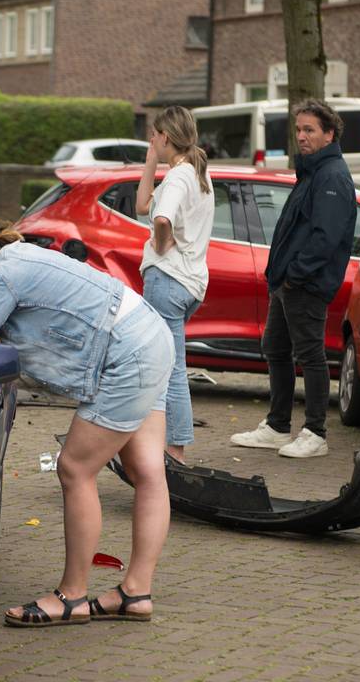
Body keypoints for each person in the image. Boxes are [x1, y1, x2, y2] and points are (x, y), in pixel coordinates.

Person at [0, 225, 173, 628]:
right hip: (149, 334)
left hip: (125, 353)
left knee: (75, 469)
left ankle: (71, 596)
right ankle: (135, 592)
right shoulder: (12, 258)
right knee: (148, 473)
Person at [230, 99, 357, 458]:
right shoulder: (313, 172)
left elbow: (325, 238)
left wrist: (295, 276)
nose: (301, 136)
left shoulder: (331, 176)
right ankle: (277, 426)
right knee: (276, 349)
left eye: (309, 130)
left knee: (311, 355)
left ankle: (315, 433)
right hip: (288, 283)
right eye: (298, 130)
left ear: (329, 134)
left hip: (305, 285)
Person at [134, 106, 214, 463]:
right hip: (190, 282)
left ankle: (175, 452)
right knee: (168, 364)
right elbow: (142, 206)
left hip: (167, 281)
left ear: (166, 136)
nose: (152, 140)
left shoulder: (180, 177)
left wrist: (161, 243)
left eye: (154, 135)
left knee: (170, 368)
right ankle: (166, 446)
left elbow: (162, 218)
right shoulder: (196, 173)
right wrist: (151, 161)